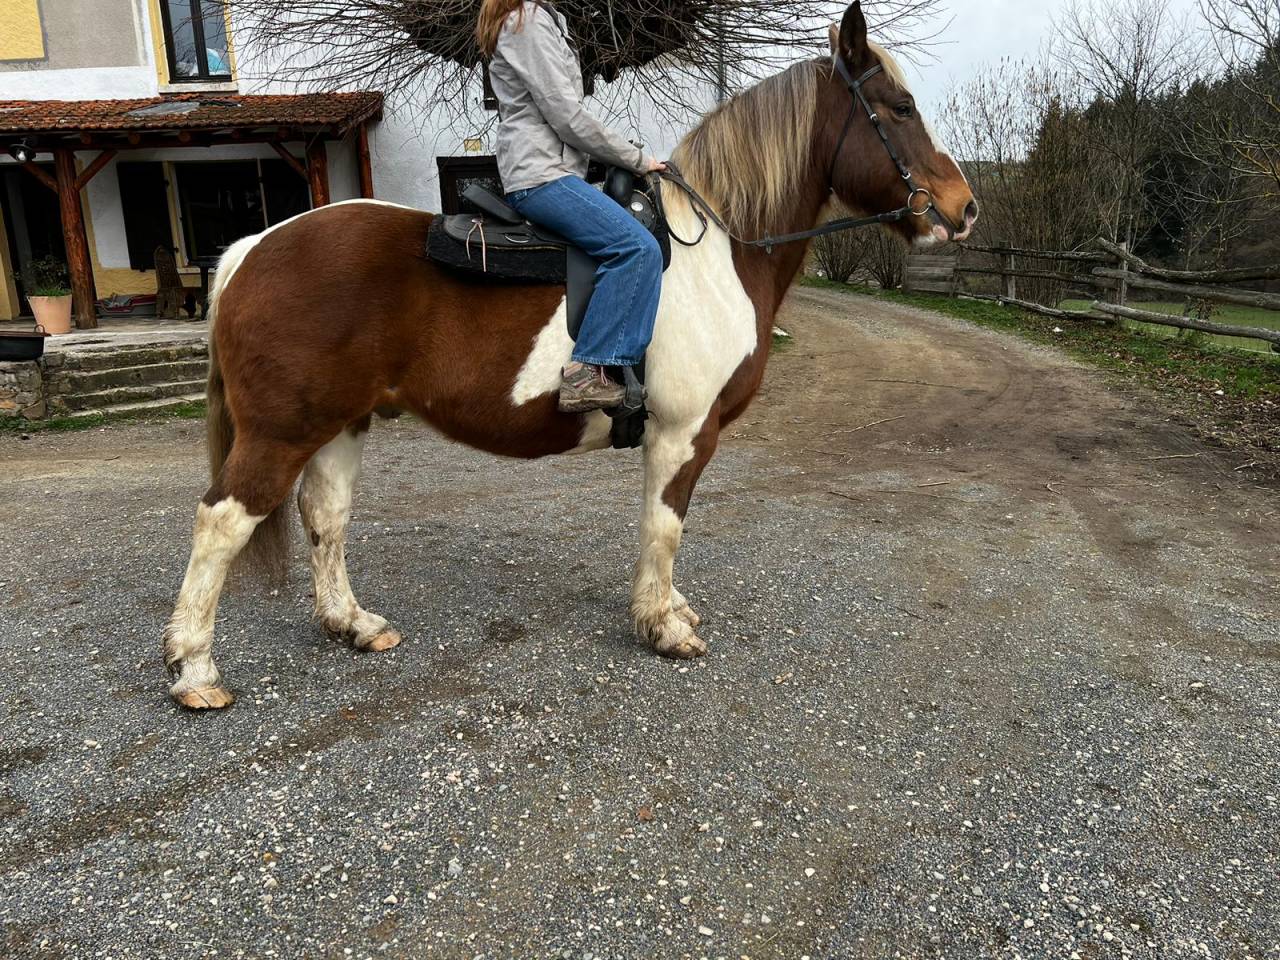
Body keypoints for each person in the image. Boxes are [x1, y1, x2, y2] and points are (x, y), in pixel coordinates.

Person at [476, 0, 667, 413]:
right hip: (542, 176)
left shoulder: (538, 18)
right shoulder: (527, 20)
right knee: (638, 249)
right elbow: (566, 117)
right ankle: (587, 371)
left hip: (550, 169)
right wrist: (636, 159)